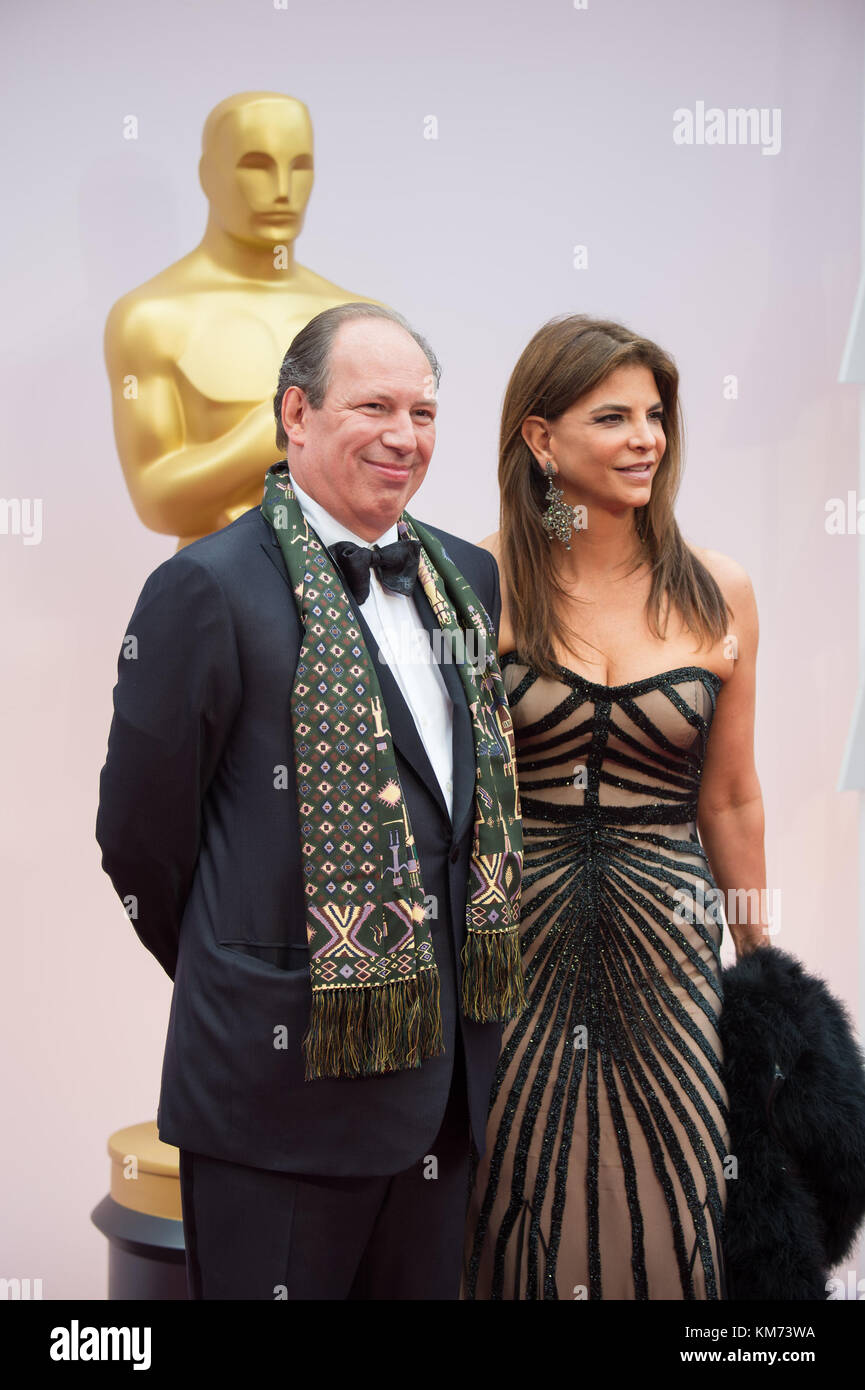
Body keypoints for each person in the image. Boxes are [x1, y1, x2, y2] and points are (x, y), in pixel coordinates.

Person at [95, 302, 524, 1300]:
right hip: (275, 1094)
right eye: (372, 405)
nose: (403, 434)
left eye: (422, 410)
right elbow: (137, 842)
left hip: (446, 1094)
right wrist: (246, 973)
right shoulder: (205, 589)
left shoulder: (468, 576)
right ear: (295, 413)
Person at [461, 313, 771, 1301]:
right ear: (541, 438)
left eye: (655, 415)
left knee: (676, 1180)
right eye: (613, 417)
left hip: (668, 947)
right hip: (515, 937)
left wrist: (760, 965)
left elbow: (728, 794)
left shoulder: (717, 590)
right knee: (516, 1186)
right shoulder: (481, 578)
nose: (646, 438)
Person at [104, 92, 383, 550]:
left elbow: (383, 481)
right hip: (213, 597)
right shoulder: (152, 317)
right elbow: (157, 501)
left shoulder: (358, 319)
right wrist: (267, 437)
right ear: (207, 175)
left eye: (299, 166)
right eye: (255, 165)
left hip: (344, 599)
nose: (281, 188)